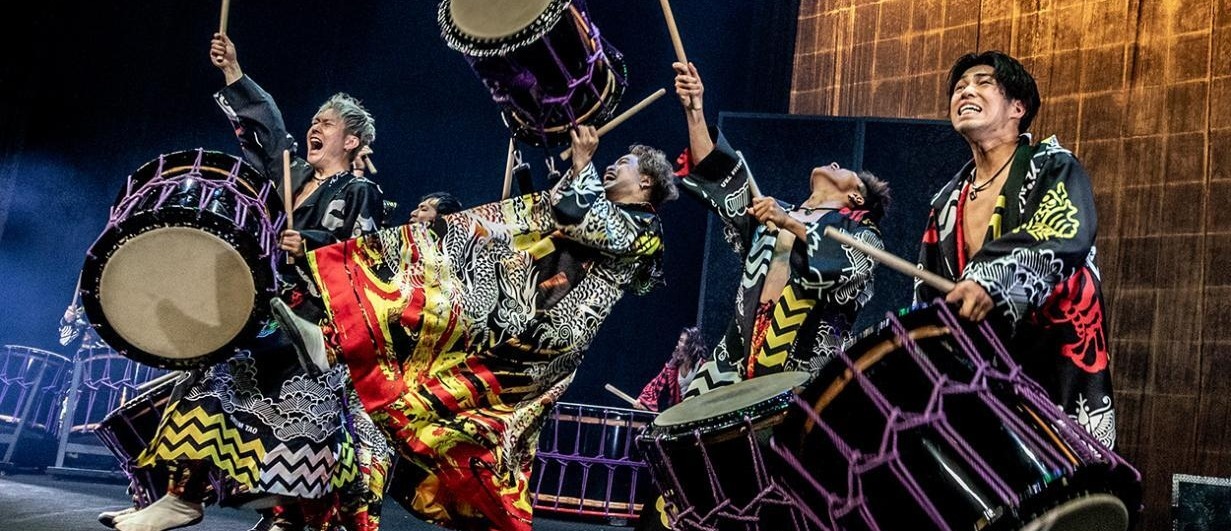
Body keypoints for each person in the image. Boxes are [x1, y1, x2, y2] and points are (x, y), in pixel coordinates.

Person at [271, 124, 677, 530]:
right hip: (524, 317)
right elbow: (557, 211)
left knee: (443, 317)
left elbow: (576, 216)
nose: (612, 166)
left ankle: (335, 343)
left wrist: (584, 164)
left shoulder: (645, 229)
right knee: (466, 421)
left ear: (646, 181)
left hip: (540, 335)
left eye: (624, 162)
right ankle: (335, 344)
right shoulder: (617, 214)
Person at [109, 33, 391, 531]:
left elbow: (363, 257)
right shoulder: (291, 174)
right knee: (206, 385)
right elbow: (271, 128)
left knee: (303, 429)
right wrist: (233, 72)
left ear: (351, 141)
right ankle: (181, 496)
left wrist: (311, 243)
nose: (314, 127)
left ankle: (291, 518)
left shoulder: (359, 190)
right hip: (264, 315)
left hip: (311, 326)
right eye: (314, 121)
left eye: (326, 123)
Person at [915, 51, 1116, 448]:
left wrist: (989, 281)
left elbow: (1064, 234)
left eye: (983, 83)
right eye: (960, 87)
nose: (966, 91)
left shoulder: (1052, 166)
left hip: (1054, 373)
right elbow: (930, 298)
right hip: (981, 388)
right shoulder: (946, 203)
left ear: (1017, 108)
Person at [671, 61, 890, 397]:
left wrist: (788, 223)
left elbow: (844, 264)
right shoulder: (773, 212)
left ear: (856, 197)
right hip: (737, 361)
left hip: (803, 375)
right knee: (691, 421)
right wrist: (695, 110)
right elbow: (718, 172)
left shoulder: (862, 234)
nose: (834, 163)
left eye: (846, 170)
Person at [635, 326, 707, 412]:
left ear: (693, 345)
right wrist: (642, 400)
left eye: (686, 342)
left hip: (697, 411)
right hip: (680, 412)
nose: (681, 345)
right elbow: (656, 384)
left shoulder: (702, 365)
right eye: (681, 340)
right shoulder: (674, 365)